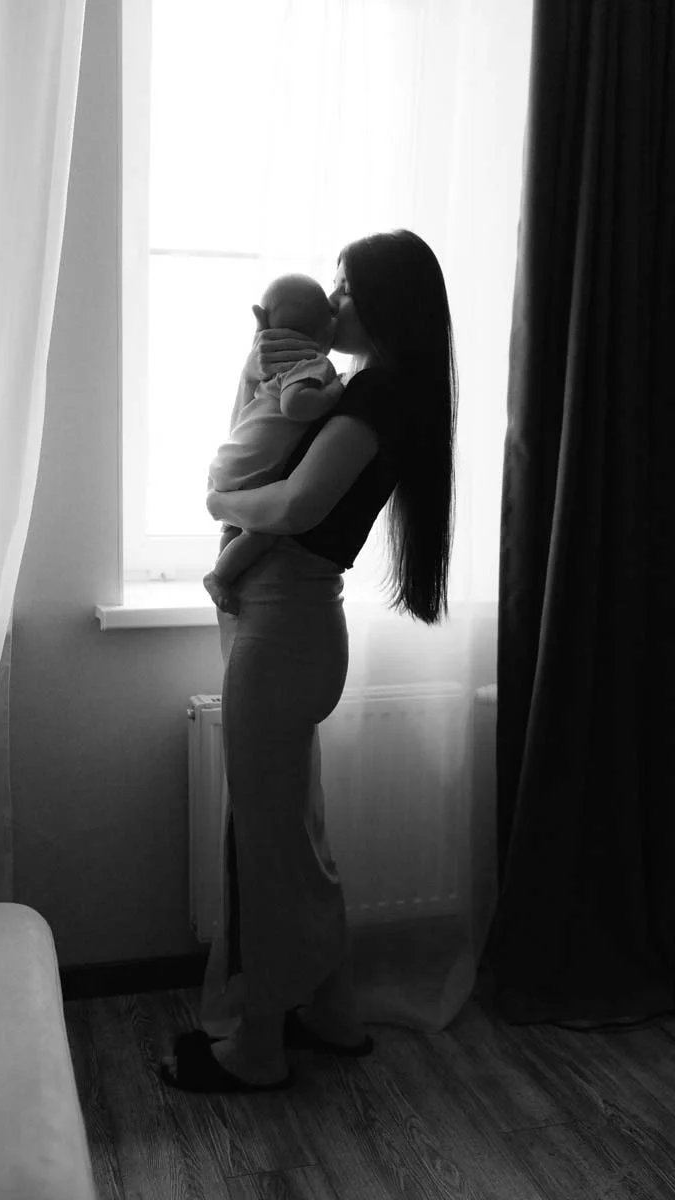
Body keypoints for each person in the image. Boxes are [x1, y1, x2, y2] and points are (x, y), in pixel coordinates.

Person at [159, 229, 459, 1093]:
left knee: (270, 848)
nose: (335, 306)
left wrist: (217, 496)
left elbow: (293, 503)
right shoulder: (377, 394)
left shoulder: (372, 403)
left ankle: (257, 1047)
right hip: (300, 628)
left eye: (348, 290)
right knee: (300, 834)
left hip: (284, 635)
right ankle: (334, 1012)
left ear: (388, 301)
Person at [203, 273, 344, 616]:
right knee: (261, 533)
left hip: (231, 459)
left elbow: (249, 417)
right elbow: (294, 405)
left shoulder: (272, 367)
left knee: (233, 527)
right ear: (327, 332)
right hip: (253, 472)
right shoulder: (314, 363)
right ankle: (220, 575)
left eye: (346, 287)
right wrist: (334, 391)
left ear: (265, 322)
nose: (337, 296)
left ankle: (225, 570)